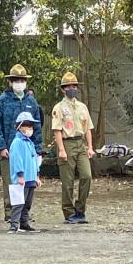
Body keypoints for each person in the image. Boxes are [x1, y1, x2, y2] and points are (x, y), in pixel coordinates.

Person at [0, 64, 42, 221]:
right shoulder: (2, 101)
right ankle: (11, 213)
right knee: (11, 181)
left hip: (28, 149)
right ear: (10, 82)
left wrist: (38, 149)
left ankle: (24, 215)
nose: (19, 83)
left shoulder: (32, 102)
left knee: (28, 182)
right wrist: (1, 146)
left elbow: (37, 127)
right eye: (16, 80)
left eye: (22, 80)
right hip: (9, 147)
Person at [51, 72, 95, 224]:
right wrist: (61, 149)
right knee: (67, 181)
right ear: (63, 89)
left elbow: (88, 127)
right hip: (67, 142)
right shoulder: (59, 108)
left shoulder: (82, 107)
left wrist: (90, 147)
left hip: (80, 142)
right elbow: (57, 130)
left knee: (86, 176)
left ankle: (80, 209)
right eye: (68, 86)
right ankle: (69, 212)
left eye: (74, 86)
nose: (72, 88)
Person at [8, 112, 41, 233]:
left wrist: (37, 175)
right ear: (19, 127)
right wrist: (20, 175)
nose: (29, 128)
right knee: (18, 202)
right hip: (22, 179)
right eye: (26, 125)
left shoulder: (30, 142)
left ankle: (24, 223)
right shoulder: (17, 142)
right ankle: (14, 223)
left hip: (31, 178)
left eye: (31, 126)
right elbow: (17, 160)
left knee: (27, 203)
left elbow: (35, 160)